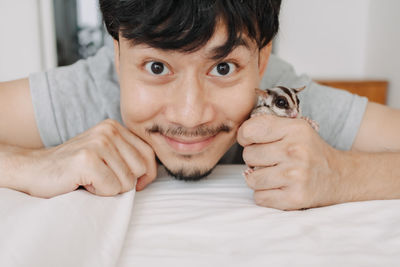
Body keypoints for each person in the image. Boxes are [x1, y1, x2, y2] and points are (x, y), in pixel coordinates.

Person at [0, 0, 399, 211]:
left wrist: (341, 175)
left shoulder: (281, 100)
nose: (190, 115)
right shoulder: (82, 91)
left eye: (223, 67)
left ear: (262, 61)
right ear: (116, 55)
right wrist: (30, 164)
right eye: (157, 67)